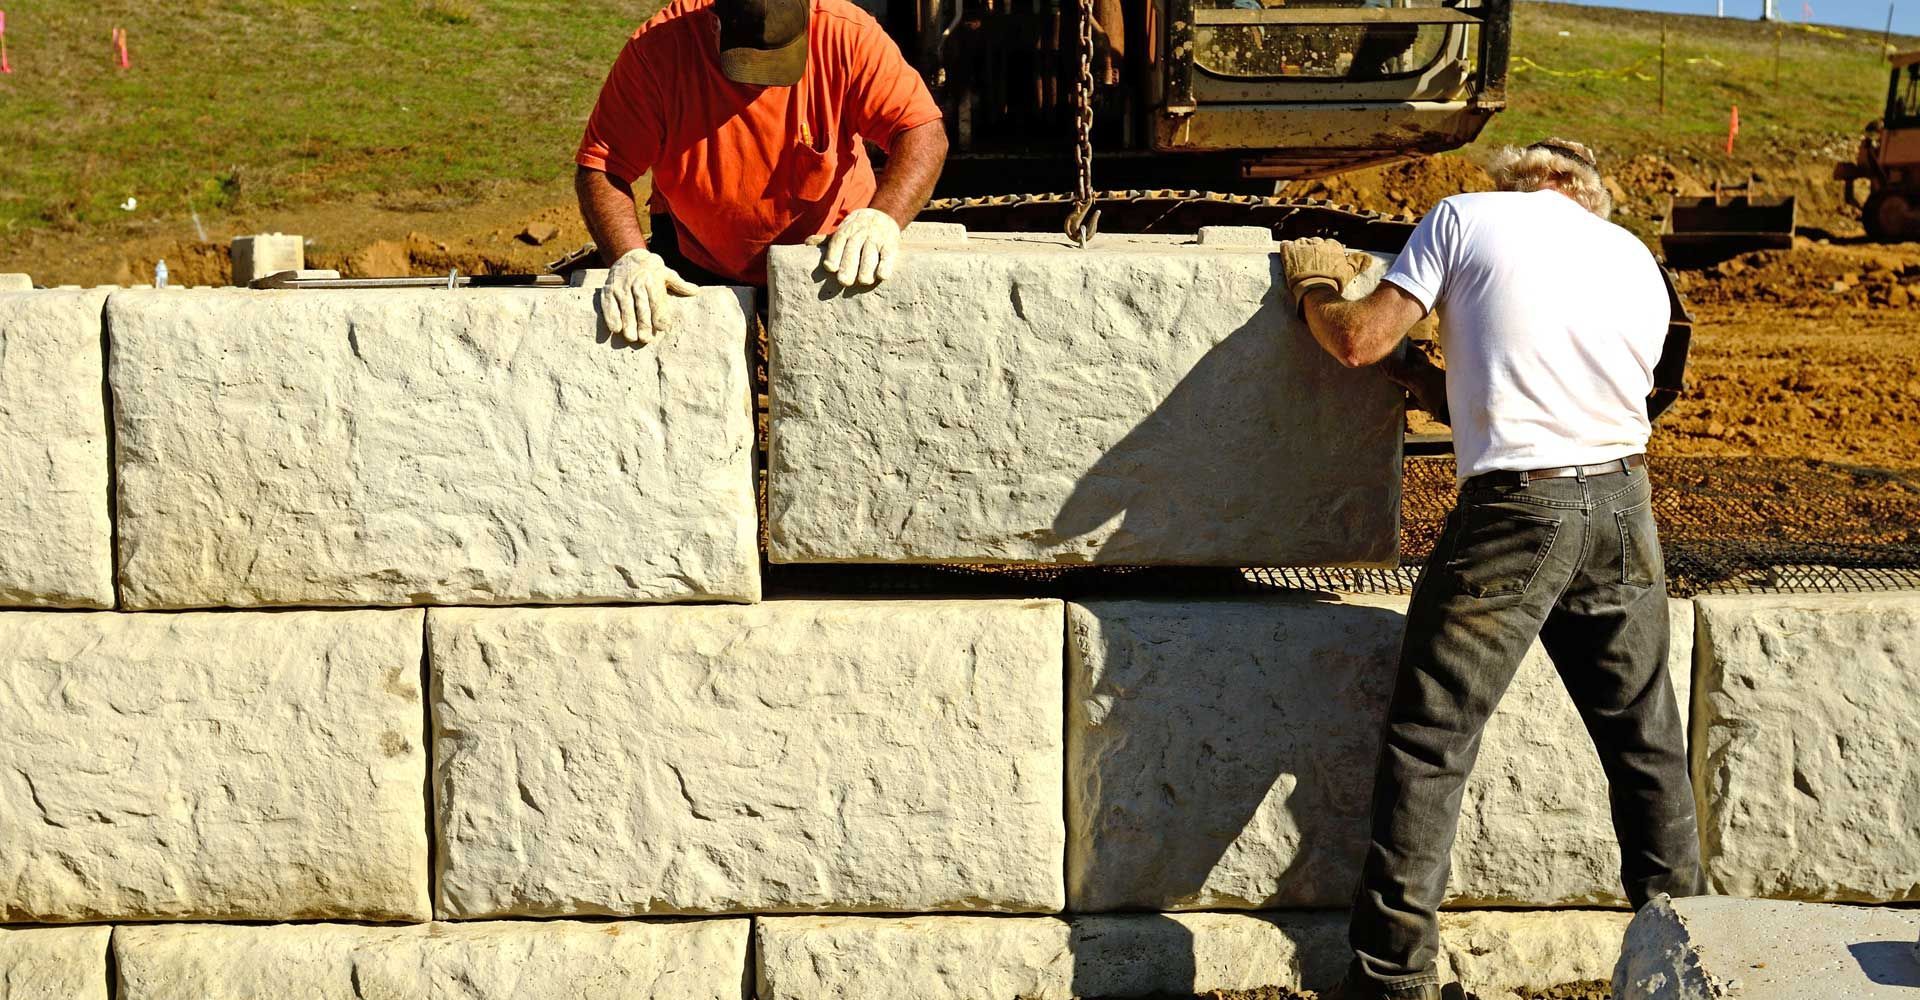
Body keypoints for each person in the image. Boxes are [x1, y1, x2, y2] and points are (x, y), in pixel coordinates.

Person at [1278, 139, 1705, 1000]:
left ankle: (1391, 980)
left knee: (1431, 740)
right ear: (1589, 193)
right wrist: (1432, 379)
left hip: (1517, 513)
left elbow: (1359, 340)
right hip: (1623, 505)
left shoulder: (1464, 218)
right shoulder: (1634, 258)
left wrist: (1316, 287)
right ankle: (1696, 953)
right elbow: (1566, 389)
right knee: (1646, 747)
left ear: (1519, 177)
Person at [575, 0, 950, 345]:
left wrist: (883, 217)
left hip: (828, 255)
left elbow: (922, 132)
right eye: (750, 60)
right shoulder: (659, 52)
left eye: (781, 58)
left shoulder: (846, 34)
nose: (764, 81)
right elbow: (603, 166)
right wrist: (629, 257)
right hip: (695, 257)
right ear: (716, 22)